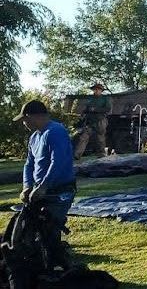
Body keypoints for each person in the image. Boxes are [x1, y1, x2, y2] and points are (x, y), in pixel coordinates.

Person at [18, 99, 75, 271]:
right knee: (31, 227)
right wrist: (27, 186)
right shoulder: (34, 137)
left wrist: (43, 186)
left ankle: (56, 267)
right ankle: (40, 265)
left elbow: (58, 162)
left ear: (32, 116)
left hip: (59, 191)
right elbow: (29, 164)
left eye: (24, 119)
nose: (23, 123)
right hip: (40, 190)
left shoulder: (55, 131)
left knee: (50, 227)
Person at [74, 83, 111, 158]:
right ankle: (77, 155)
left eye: (98, 89)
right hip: (90, 121)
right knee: (84, 137)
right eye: (95, 89)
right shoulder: (90, 99)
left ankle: (101, 154)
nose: (96, 91)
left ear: (101, 91)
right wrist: (83, 114)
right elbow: (86, 108)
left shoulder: (105, 99)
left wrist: (96, 109)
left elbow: (108, 109)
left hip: (100, 120)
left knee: (100, 138)